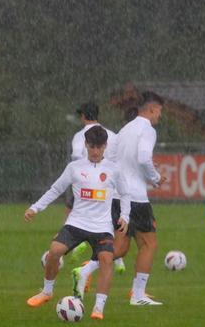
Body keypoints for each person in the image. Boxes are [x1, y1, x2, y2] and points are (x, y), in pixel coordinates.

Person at [24, 126, 129, 320]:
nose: (95, 151)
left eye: (99, 147)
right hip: (77, 223)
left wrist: (125, 216)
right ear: (86, 145)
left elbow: (125, 194)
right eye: (91, 147)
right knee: (54, 251)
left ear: (105, 146)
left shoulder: (114, 170)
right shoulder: (74, 168)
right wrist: (35, 208)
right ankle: (47, 292)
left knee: (106, 260)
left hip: (102, 227)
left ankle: (98, 307)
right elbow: (55, 190)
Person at [74, 91, 166, 305]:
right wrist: (155, 177)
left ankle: (84, 270)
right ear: (151, 109)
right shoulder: (147, 130)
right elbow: (143, 158)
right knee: (149, 244)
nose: (159, 116)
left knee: (121, 247)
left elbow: (115, 159)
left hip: (118, 196)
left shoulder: (126, 129)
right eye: (159, 111)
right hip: (135, 198)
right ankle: (138, 295)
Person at [65, 103, 118, 266]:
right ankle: (115, 257)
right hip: (108, 185)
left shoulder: (80, 136)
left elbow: (75, 156)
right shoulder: (112, 135)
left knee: (72, 211)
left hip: (86, 182)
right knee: (108, 221)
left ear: (82, 117)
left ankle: (73, 241)